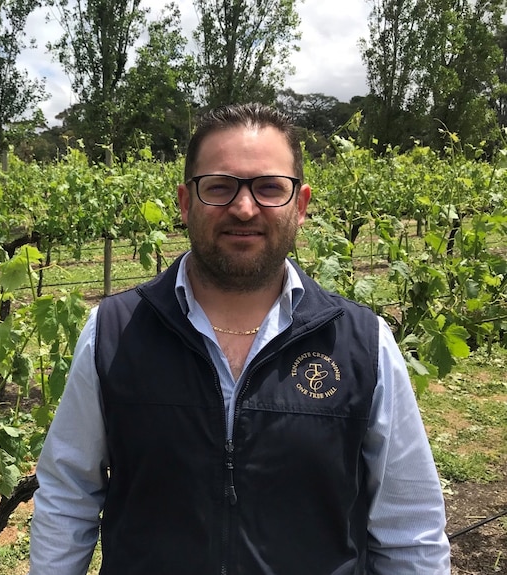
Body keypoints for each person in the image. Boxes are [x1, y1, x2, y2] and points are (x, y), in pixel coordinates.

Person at [28, 103, 451, 574]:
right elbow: (68, 496)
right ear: (186, 202)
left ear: (301, 205)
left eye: (270, 187)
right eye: (219, 187)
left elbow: (409, 529)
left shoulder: (363, 343)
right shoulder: (113, 332)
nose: (244, 207)